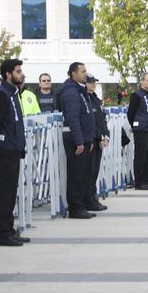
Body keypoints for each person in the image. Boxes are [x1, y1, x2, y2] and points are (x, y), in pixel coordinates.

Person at [0, 59, 29, 246]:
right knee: (5, 191)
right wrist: (5, 141)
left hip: (14, 148)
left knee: (11, 191)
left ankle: (9, 230)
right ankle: (3, 233)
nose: (21, 74)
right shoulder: (2, 94)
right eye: (18, 71)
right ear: (8, 74)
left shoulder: (13, 93)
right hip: (5, 149)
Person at [59, 62, 96, 219]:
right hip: (76, 141)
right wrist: (80, 141)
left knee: (83, 174)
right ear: (73, 74)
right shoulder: (71, 92)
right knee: (76, 175)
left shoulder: (80, 91)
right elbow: (73, 118)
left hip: (85, 139)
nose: (85, 74)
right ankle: (75, 208)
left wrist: (89, 138)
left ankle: (81, 205)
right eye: (82, 71)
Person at [127, 72, 148, 190]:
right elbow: (131, 113)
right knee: (141, 156)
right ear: (142, 82)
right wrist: (136, 125)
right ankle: (139, 182)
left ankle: (145, 180)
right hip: (141, 130)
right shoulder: (137, 95)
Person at [85, 76, 110, 212]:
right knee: (89, 172)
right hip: (92, 139)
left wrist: (106, 136)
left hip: (99, 139)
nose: (93, 84)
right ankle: (89, 200)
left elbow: (102, 120)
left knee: (94, 172)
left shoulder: (95, 99)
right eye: (90, 82)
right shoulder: (85, 99)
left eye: (94, 82)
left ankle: (93, 199)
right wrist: (98, 136)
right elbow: (90, 121)